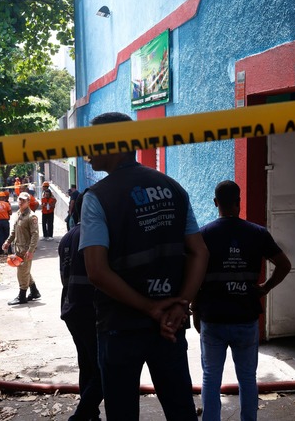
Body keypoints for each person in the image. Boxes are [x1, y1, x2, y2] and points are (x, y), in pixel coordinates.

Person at [79, 112, 209, 421]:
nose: (87, 153)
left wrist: (150, 308)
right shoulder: (173, 188)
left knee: (122, 412)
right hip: (171, 324)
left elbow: (96, 271)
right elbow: (199, 252)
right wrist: (181, 305)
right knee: (181, 409)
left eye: (93, 144)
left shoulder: (97, 197)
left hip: (121, 325)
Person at [193, 180, 291, 421]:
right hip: (245, 317)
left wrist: (196, 312)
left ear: (216, 203)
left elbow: (194, 277)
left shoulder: (204, 234)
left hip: (213, 318)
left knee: (210, 378)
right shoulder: (257, 233)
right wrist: (264, 288)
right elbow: (284, 265)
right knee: (247, 378)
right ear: (239, 202)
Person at [59, 193, 103, 420]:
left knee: (87, 364)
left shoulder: (67, 237)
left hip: (71, 309)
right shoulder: (94, 234)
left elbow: (64, 277)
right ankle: (81, 415)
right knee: (104, 369)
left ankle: (90, 415)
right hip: (90, 310)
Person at [3, 192, 41, 304]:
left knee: (22, 273)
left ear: (28, 202)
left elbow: (35, 235)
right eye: (19, 200)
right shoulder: (19, 214)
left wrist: (31, 250)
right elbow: (14, 231)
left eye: (23, 200)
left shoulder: (31, 216)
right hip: (18, 249)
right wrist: (8, 242)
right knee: (25, 271)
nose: (20, 202)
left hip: (25, 250)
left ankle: (22, 296)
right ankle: (34, 292)